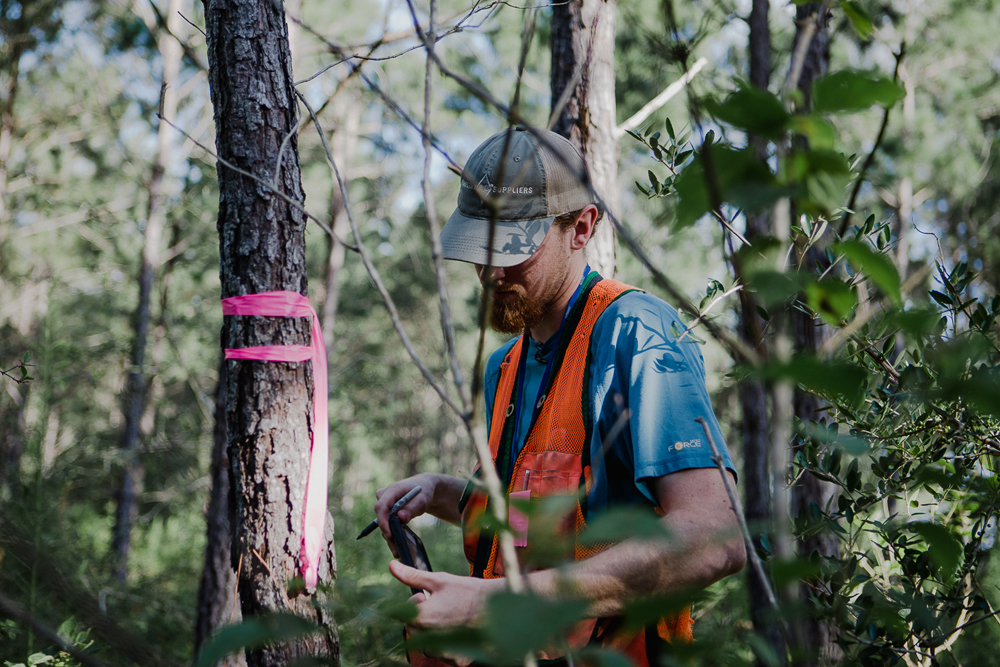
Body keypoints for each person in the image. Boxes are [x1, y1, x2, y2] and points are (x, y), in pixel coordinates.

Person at [373, 126, 746, 664]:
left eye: (512, 250)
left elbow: (717, 536)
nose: (492, 273)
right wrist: (443, 493)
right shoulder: (505, 367)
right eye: (481, 249)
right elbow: (538, 516)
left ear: (581, 228)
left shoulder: (635, 334)